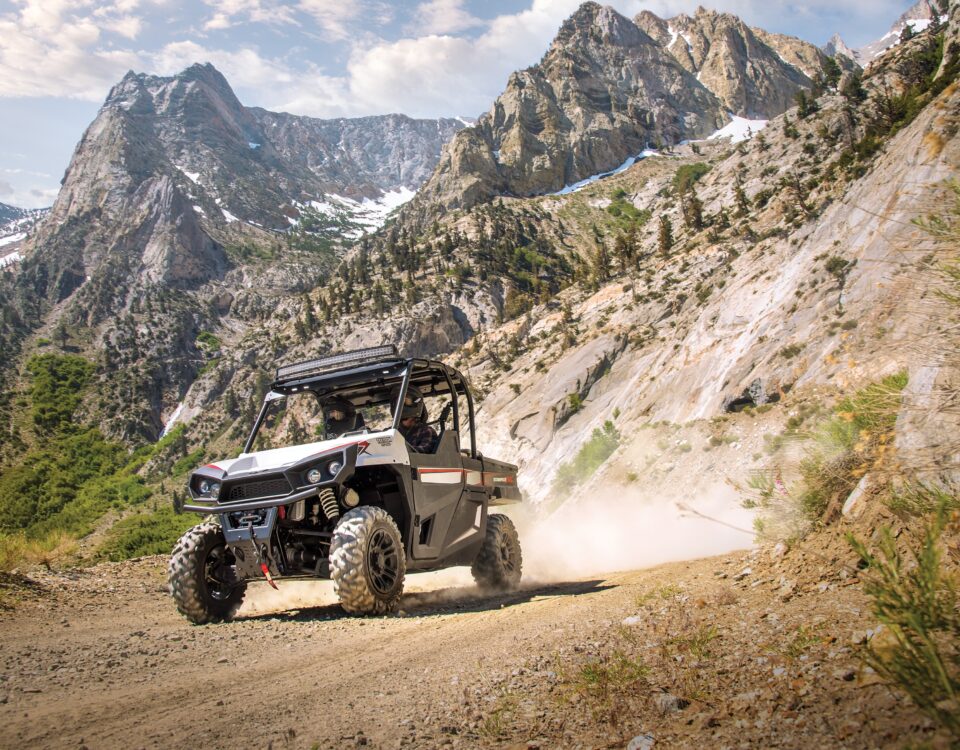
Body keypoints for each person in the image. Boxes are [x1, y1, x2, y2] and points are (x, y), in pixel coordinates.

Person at [390, 385, 436, 453]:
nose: (399, 405)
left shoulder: (426, 431)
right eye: (397, 402)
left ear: (415, 403)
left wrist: (398, 452)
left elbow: (423, 453)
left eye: (404, 401)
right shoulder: (391, 432)